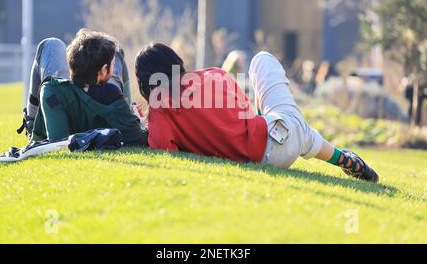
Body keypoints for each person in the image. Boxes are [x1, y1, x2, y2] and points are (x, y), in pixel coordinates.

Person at [135, 43, 379, 183]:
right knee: (262, 60)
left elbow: (164, 151)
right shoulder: (213, 75)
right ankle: (345, 160)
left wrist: (146, 123)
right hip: (274, 134)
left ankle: (345, 159)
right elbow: (244, 112)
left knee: (302, 134)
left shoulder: (160, 109)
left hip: (262, 155)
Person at [18, 29, 147, 147]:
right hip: (107, 112)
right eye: (111, 65)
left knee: (51, 44)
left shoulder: (51, 89)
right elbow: (139, 138)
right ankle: (130, 110)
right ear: (103, 70)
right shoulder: (113, 95)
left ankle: (31, 122)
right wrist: (138, 121)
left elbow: (57, 143)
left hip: (69, 100)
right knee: (117, 51)